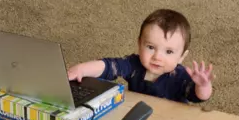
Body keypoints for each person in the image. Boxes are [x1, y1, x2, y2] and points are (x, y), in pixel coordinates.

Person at [68, 9, 215, 103]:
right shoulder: (134, 64)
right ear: (139, 44)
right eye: (151, 47)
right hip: (138, 117)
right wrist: (81, 69)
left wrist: (203, 86)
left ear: (182, 56)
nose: (157, 57)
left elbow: (197, 97)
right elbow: (109, 66)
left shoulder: (180, 76)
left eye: (169, 52)